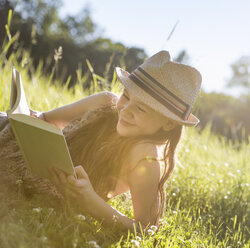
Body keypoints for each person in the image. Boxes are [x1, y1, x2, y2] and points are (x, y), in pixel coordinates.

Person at [0, 50, 202, 233]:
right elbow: (46, 118)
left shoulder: (145, 157)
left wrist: (89, 201)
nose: (125, 109)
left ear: (168, 124)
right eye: (126, 96)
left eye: (141, 109)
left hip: (25, 184)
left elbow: (146, 228)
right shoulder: (106, 103)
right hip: (11, 139)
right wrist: (28, 117)